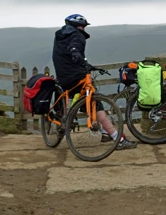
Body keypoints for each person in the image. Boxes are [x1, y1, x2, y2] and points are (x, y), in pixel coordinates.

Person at [52, 14, 137, 150]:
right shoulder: (77, 36)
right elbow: (74, 50)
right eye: (82, 26)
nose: (84, 29)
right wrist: (82, 62)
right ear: (77, 26)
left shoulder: (61, 35)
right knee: (95, 103)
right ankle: (118, 138)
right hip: (76, 75)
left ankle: (105, 133)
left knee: (88, 103)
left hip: (64, 77)